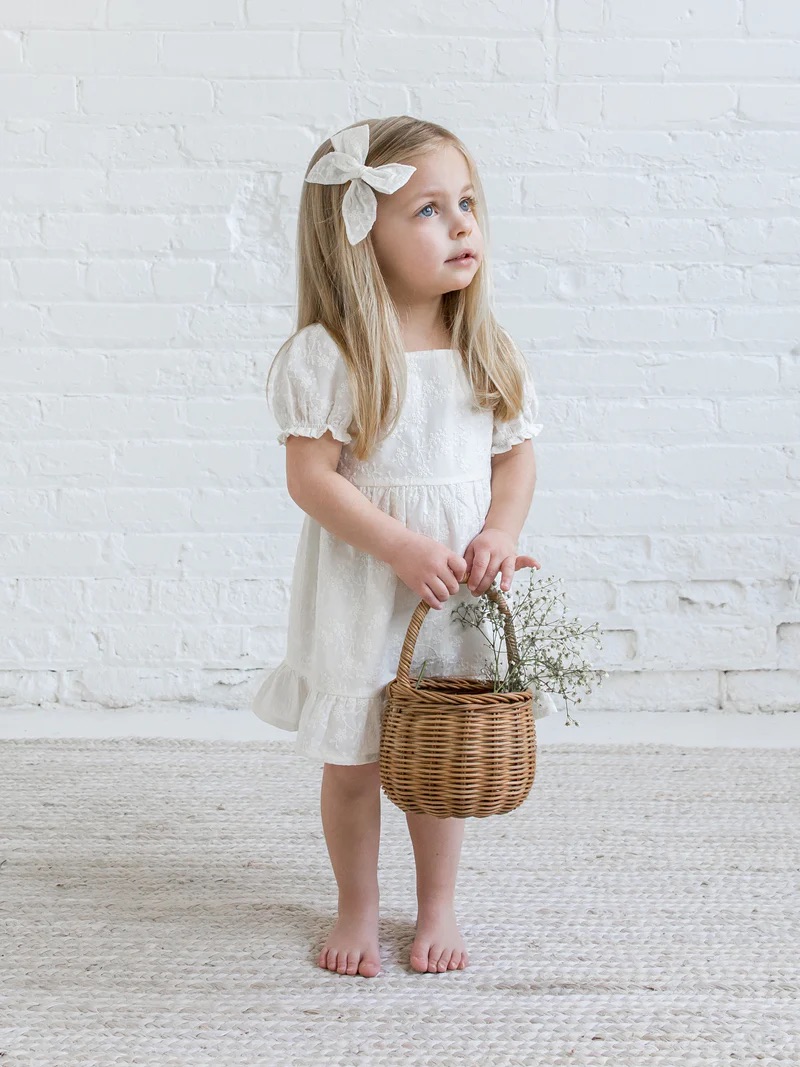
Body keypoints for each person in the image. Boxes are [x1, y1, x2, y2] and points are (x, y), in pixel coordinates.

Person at [252, 116, 556, 980]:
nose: (463, 223)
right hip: (364, 578)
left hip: (449, 589)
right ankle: (355, 904)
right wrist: (393, 544)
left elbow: (516, 457)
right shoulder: (334, 355)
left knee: (443, 754)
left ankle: (436, 905)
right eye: (428, 209)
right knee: (354, 760)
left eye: (466, 203)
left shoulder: (483, 348)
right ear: (361, 237)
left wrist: (499, 531)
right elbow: (312, 478)